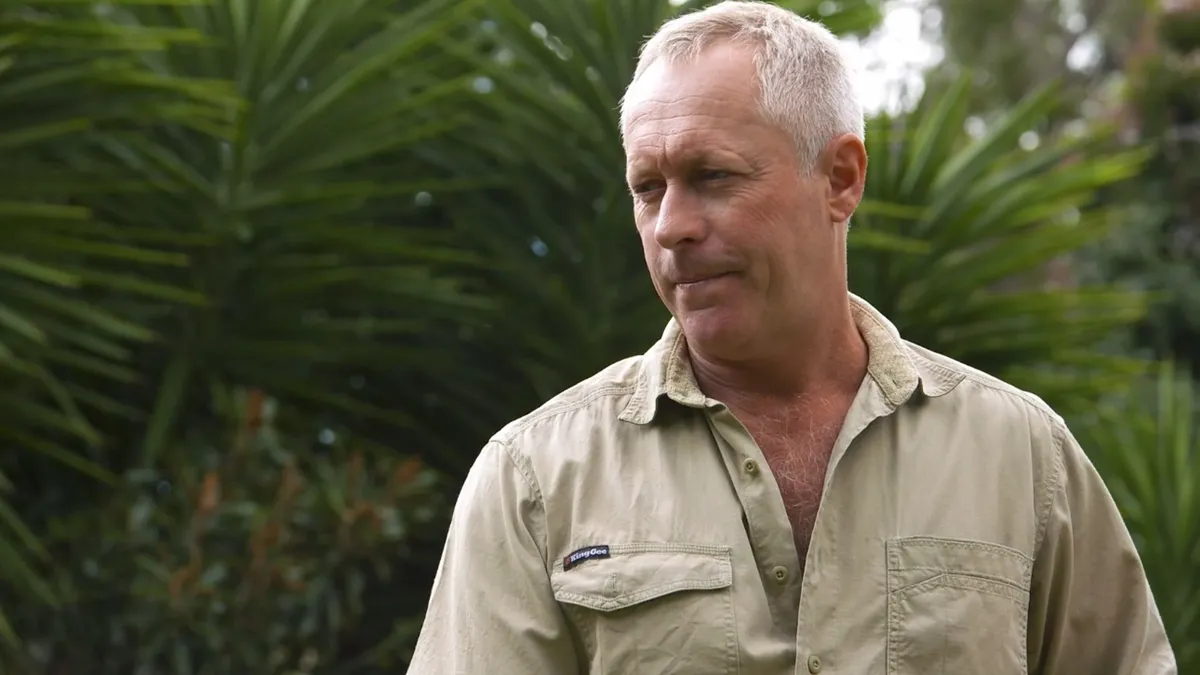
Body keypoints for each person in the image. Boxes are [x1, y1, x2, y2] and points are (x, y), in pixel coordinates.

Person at [407, 1, 1178, 673]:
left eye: (713, 175)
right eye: (648, 187)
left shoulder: (1020, 456)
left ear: (841, 178)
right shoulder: (536, 478)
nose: (671, 226)